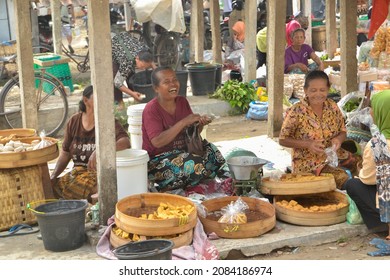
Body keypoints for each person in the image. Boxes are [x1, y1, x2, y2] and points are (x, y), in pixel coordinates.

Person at [142, 66, 226, 192]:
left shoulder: (182, 102)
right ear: (156, 88)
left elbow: (190, 133)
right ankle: (168, 185)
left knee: (214, 154)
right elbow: (157, 141)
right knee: (192, 163)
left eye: (174, 80)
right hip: (157, 162)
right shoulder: (151, 109)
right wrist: (183, 122)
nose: (173, 84)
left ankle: (195, 180)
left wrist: (200, 124)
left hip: (184, 153)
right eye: (166, 82)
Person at [50, 85, 130, 202]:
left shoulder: (108, 121)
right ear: (85, 100)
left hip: (98, 174)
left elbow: (125, 142)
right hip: (77, 174)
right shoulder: (74, 121)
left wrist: (100, 151)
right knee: (52, 187)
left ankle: (88, 199)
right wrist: (53, 176)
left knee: (100, 188)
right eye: (99, 97)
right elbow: (65, 153)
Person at [279, 70, 349, 189]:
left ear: (328, 89)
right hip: (308, 164)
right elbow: (283, 139)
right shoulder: (297, 111)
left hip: (333, 158)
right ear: (305, 90)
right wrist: (308, 144)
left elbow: (343, 131)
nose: (318, 94)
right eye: (313, 90)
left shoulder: (332, 106)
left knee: (362, 165)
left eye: (322, 90)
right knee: (342, 179)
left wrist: (338, 139)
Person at [345, 90, 390, 239]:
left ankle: (381, 224)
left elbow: (368, 179)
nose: (370, 112)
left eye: (373, 108)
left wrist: (359, 171)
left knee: (353, 184)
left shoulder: (378, 144)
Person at [111, 31, 156, 107]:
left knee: (131, 74)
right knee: (115, 75)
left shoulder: (146, 50)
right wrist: (132, 93)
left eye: (146, 67)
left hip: (124, 40)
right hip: (112, 44)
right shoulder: (127, 60)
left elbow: (151, 62)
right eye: (142, 66)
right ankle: (119, 102)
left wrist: (156, 70)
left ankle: (137, 97)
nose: (143, 68)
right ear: (137, 59)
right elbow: (117, 83)